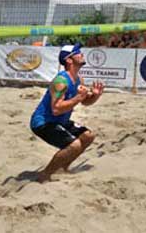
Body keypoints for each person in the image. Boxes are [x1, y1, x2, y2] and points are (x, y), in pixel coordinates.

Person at [30, 42, 104, 182]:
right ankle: (45, 175)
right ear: (69, 60)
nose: (82, 53)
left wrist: (95, 95)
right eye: (77, 52)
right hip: (43, 122)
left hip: (60, 120)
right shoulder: (61, 81)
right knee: (74, 145)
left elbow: (84, 102)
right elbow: (56, 109)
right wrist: (79, 97)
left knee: (88, 136)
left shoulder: (78, 79)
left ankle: (62, 168)